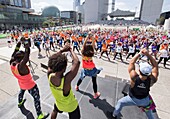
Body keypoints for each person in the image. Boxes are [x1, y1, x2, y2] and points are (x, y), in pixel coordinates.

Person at [109, 48, 158, 119]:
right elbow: (155, 66)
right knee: (148, 112)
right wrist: (148, 54)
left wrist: (139, 53)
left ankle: (114, 115)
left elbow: (131, 63)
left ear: (139, 70)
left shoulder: (134, 77)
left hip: (132, 98)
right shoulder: (152, 79)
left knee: (120, 102)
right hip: (144, 100)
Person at [10, 40, 49, 119]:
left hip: (21, 83)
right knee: (36, 98)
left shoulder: (12, 62)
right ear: (21, 60)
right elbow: (27, 56)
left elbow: (15, 51)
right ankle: (39, 114)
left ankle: (20, 102)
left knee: (21, 92)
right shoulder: (21, 67)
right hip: (30, 85)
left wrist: (19, 43)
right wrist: (26, 46)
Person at [47, 44, 81, 119]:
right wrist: (70, 50)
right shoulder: (65, 81)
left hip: (59, 104)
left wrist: (62, 50)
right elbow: (77, 62)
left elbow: (51, 60)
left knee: (54, 111)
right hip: (71, 107)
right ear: (64, 69)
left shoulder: (49, 74)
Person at [75, 33, 102, 99]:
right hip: (92, 70)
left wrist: (87, 37)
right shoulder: (91, 53)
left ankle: (77, 86)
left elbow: (84, 45)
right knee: (94, 81)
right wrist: (92, 37)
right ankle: (95, 94)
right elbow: (93, 45)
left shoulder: (83, 53)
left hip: (85, 69)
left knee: (81, 78)